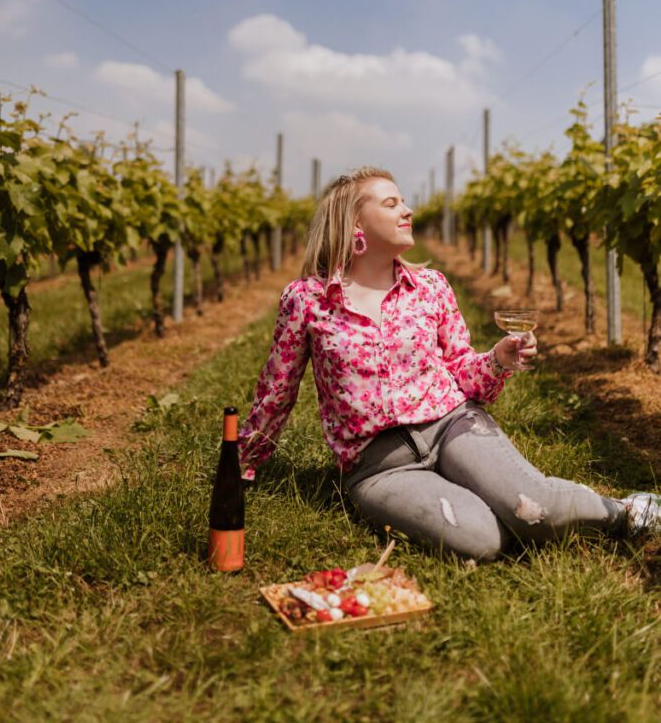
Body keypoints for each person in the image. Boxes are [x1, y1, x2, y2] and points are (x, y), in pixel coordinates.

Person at [239, 166, 660, 561]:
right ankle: (517, 514)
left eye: (403, 202)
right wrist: (243, 462)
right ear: (354, 225)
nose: (408, 210)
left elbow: (461, 370)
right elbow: (277, 389)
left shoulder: (430, 288)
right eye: (390, 204)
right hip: (379, 467)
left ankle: (623, 511)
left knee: (537, 508)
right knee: (480, 540)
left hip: (453, 424)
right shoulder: (306, 299)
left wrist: (498, 360)